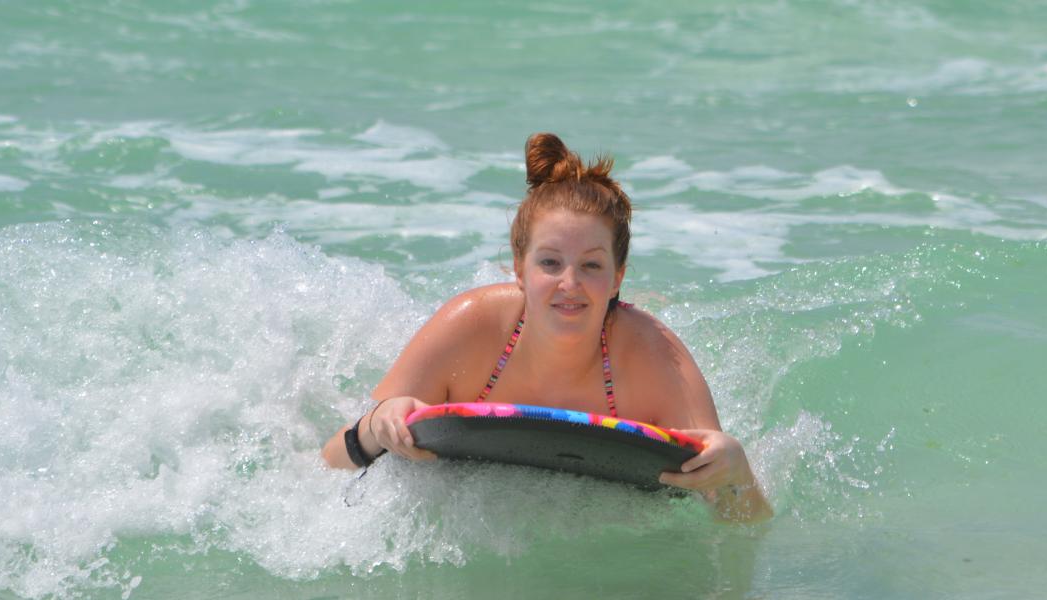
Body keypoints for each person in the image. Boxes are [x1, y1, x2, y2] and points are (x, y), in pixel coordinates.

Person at [321, 133, 772, 523]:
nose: (569, 284)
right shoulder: (470, 326)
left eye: (591, 265)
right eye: (550, 263)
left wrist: (738, 473)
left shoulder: (656, 356)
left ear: (618, 276)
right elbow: (329, 464)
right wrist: (375, 426)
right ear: (519, 267)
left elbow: (743, 523)